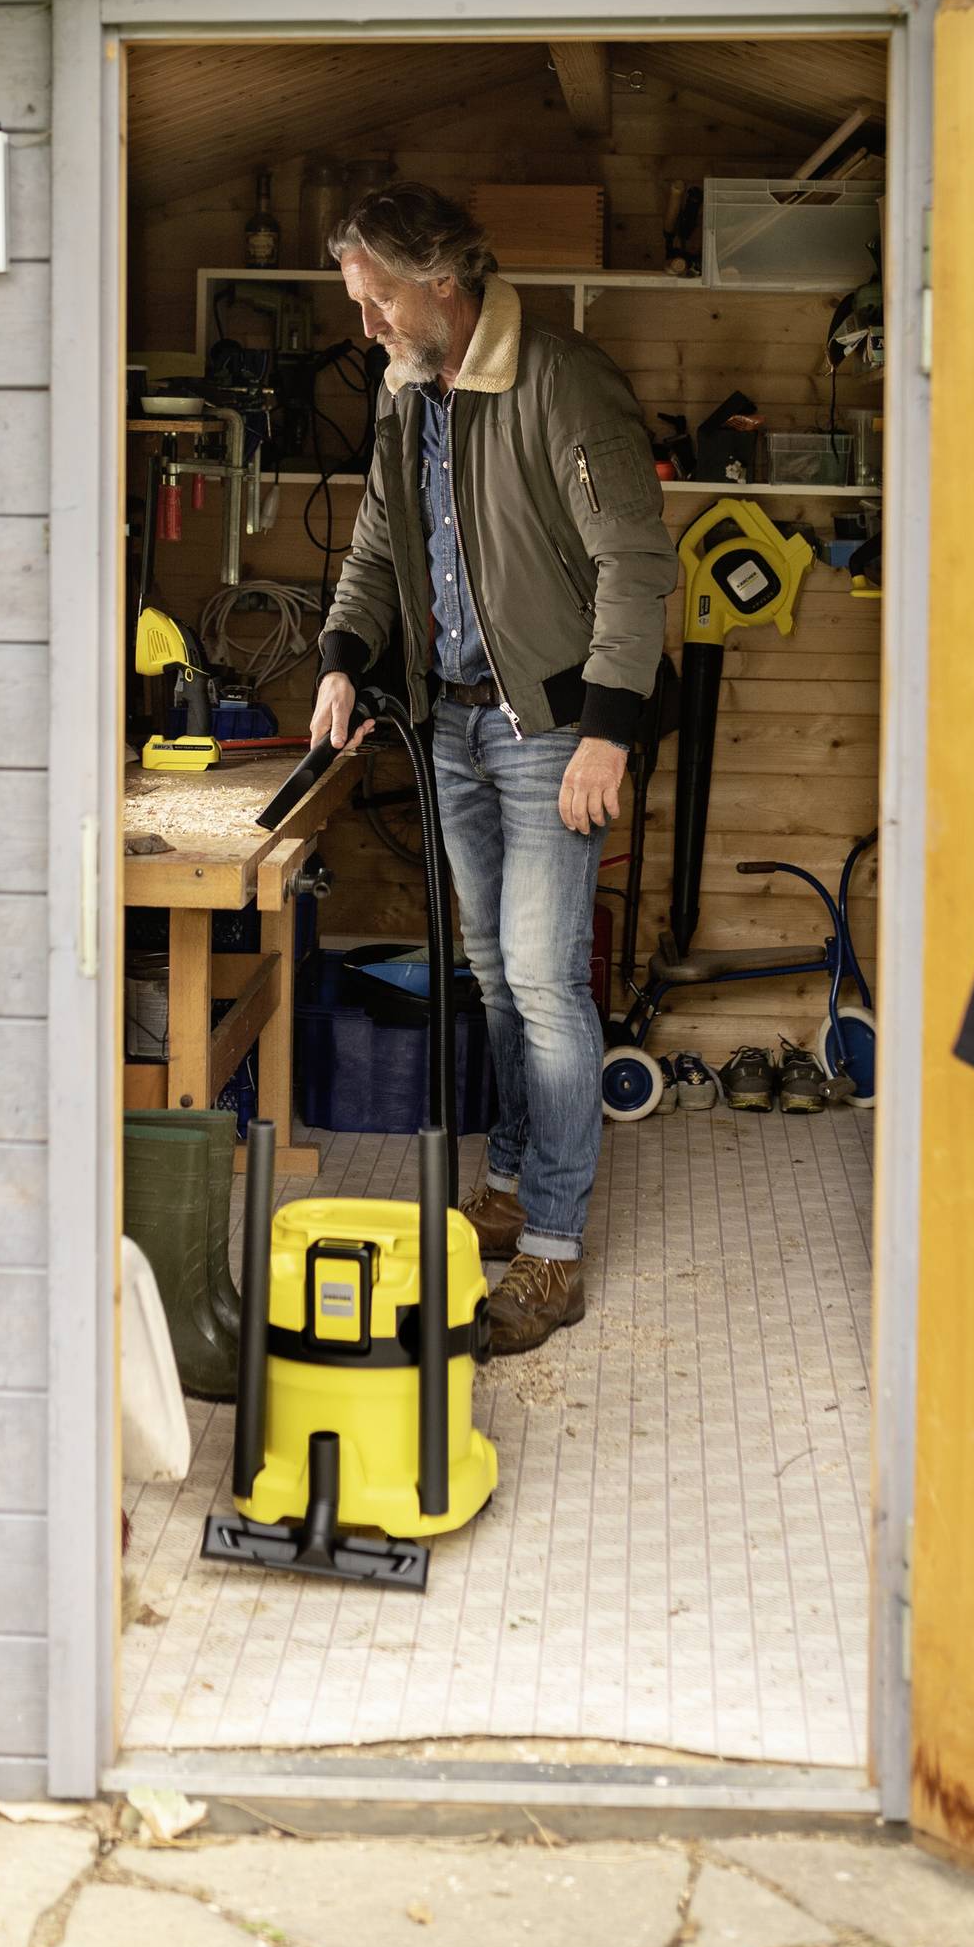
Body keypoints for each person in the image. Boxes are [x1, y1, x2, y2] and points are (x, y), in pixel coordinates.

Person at [311, 183, 677, 1353]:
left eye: (375, 301)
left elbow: (634, 564)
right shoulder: (405, 391)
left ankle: (555, 1254)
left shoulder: (562, 382)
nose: (364, 323)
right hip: (453, 724)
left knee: (546, 980)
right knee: (493, 970)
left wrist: (611, 731)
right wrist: (338, 657)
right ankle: (513, 1189)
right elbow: (377, 541)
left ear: (439, 282)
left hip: (555, 731)